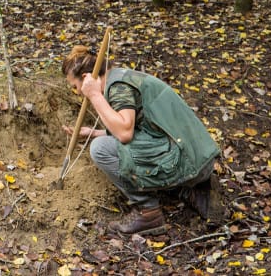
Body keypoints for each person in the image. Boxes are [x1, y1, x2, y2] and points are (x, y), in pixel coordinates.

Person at [61, 46, 220, 235]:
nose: (77, 91)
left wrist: (94, 95)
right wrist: (94, 132)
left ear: (87, 77)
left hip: (188, 161)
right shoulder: (122, 77)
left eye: (75, 86)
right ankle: (188, 191)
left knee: (100, 150)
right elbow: (141, 131)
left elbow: (125, 134)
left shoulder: (119, 87)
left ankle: (148, 212)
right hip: (196, 158)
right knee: (101, 141)